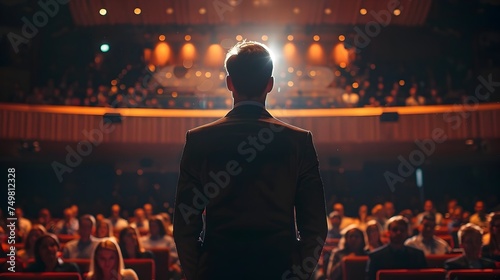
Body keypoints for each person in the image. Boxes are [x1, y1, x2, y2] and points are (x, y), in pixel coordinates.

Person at [173, 40, 327, 280]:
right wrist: (299, 272)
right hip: (281, 269)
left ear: (229, 83)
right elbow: (315, 226)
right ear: (270, 84)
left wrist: (198, 274)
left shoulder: (199, 140)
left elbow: (185, 226)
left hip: (218, 270)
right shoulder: (299, 141)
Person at [366, 216, 427, 280]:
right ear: (388, 233)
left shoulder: (417, 256)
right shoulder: (375, 257)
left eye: (402, 230)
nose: (399, 233)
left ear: (407, 233)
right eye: (395, 230)